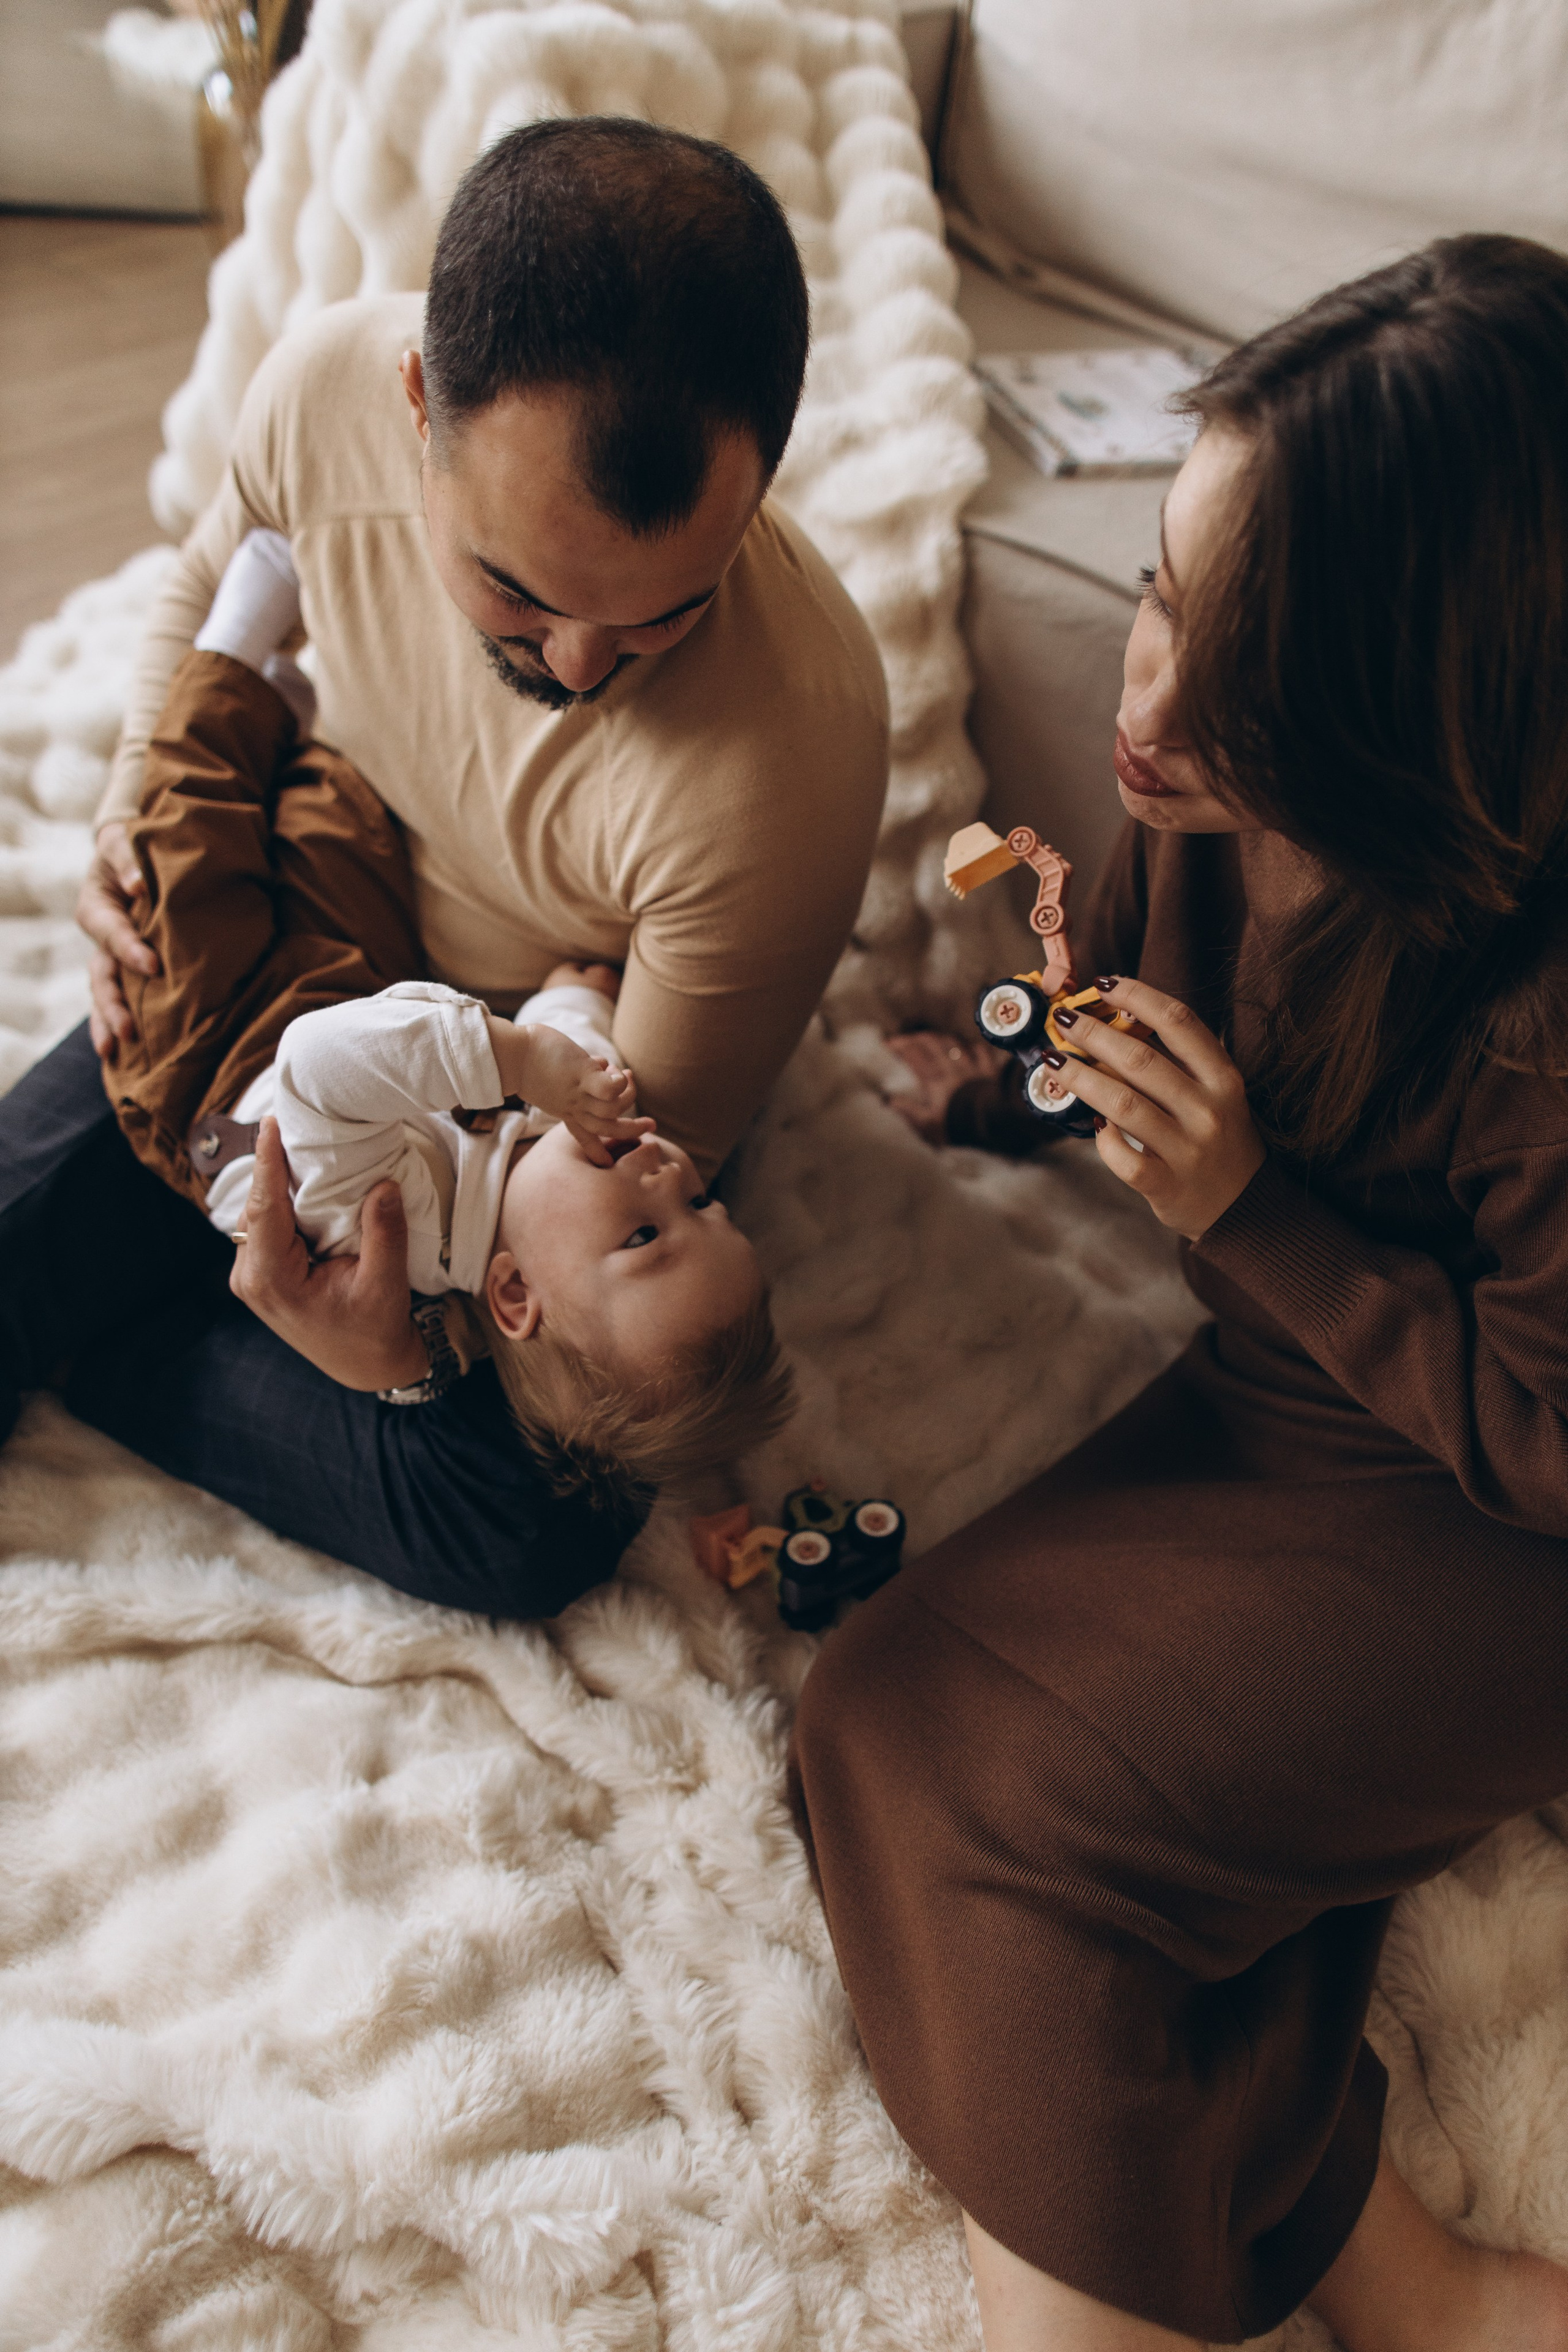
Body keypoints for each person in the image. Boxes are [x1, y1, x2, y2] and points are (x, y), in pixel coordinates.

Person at [790, 233, 1568, 2351]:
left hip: (1490, 1525)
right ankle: (1406, 2280)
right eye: (1156, 595)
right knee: (877, 1717)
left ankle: (1423, 2297)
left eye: (1237, 680)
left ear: (1406, 723)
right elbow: (1137, 1022)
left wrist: (1250, 1219)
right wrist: (1017, 1093)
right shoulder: (1209, 813)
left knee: (999, 1823)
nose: (1144, 713)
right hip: (1283, 1396)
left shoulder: (1533, 1021)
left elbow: (1543, 1441)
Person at [0, 118, 886, 1611]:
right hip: (291, 933)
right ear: (416, 407)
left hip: (534, 1103)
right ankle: (140, 1305)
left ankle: (126, 1344)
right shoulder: (324, 392)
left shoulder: (791, 766)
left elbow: (620, 1153)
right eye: (518, 593)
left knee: (535, 1517)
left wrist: (396, 1367)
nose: (585, 662)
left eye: (665, 610)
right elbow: (218, 586)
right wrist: (133, 808)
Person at [102, 539, 791, 1515]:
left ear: (512, 1294)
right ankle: (289, 732)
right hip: (355, 1007)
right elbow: (566, 1059)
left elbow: (323, 1059)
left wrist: (521, 1052)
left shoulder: (385, 1219)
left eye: (645, 1235)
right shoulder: (558, 1171)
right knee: (344, 836)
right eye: (706, 1209)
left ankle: (230, 656)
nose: (672, 1178)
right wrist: (569, 1002)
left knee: (187, 842)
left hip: (213, 1066)